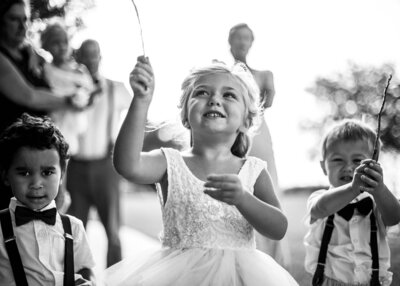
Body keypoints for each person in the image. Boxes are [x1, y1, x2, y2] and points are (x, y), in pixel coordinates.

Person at [104, 57, 298, 285]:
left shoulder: (252, 170)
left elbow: (278, 228)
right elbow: (127, 165)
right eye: (202, 93)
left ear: (246, 121)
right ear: (186, 115)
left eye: (229, 95)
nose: (214, 99)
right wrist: (141, 101)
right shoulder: (169, 162)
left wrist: (243, 199)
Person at [0, 0, 88, 210]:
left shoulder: (28, 53)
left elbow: (52, 68)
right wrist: (70, 100)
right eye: (14, 19)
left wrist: (33, 51)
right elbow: (28, 96)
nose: (22, 26)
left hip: (38, 148)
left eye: (25, 19)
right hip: (10, 152)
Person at [0, 113, 96, 285]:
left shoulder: (74, 228)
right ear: (6, 175)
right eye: (24, 173)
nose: (36, 184)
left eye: (47, 172)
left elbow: (84, 270)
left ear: (62, 174)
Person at [304, 119, 400, 286]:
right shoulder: (320, 197)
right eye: (338, 160)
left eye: (357, 161)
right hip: (330, 281)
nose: (348, 167)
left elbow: (394, 217)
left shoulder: (376, 201)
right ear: (323, 166)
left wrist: (381, 189)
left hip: (373, 282)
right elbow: (319, 209)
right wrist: (353, 188)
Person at [228, 22, 290, 268]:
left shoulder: (264, 75)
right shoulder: (221, 71)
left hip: (256, 132)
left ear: (251, 43)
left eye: (247, 38)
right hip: (230, 132)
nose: (242, 42)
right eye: (238, 38)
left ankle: (270, 261)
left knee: (266, 187)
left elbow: (267, 102)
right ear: (230, 41)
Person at [66, 39, 131, 267]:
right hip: (75, 166)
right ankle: (77, 279)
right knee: (75, 231)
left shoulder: (117, 88)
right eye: (85, 54)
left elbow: (137, 114)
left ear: (100, 57)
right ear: (79, 58)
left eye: (95, 54)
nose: (90, 59)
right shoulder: (70, 88)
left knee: (112, 231)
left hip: (107, 166)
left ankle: (116, 280)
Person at [40, 22, 94, 155]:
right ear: (46, 46)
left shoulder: (80, 71)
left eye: (65, 41)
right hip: (53, 127)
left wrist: (84, 100)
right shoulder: (46, 69)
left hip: (74, 128)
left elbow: (90, 95)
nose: (62, 46)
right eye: (55, 42)